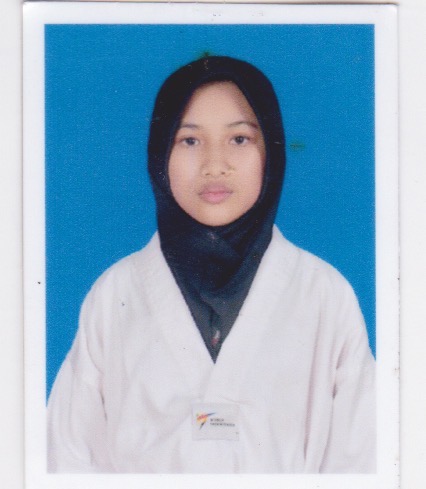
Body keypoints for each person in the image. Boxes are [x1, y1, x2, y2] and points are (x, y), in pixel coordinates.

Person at [47, 56, 375, 473]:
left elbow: (362, 459)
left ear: (271, 152)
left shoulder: (326, 296)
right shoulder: (114, 296)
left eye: (239, 139)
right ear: (160, 153)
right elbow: (67, 459)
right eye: (189, 141)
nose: (214, 165)